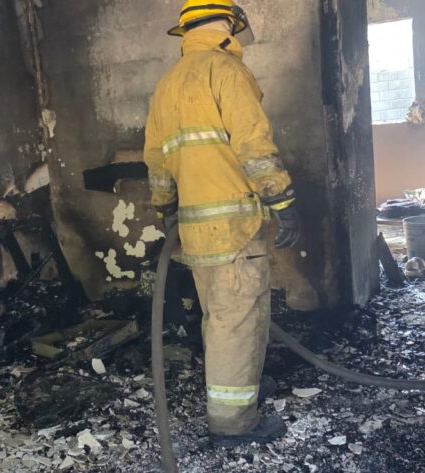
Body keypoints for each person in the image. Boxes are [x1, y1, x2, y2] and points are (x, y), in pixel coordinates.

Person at [143, 0, 301, 447]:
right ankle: (233, 423)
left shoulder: (167, 85)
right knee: (238, 322)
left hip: (195, 231)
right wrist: (283, 200)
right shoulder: (226, 72)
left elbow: (156, 162)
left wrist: (166, 208)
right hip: (234, 230)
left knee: (222, 318)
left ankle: (244, 385)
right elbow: (254, 146)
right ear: (229, 25)